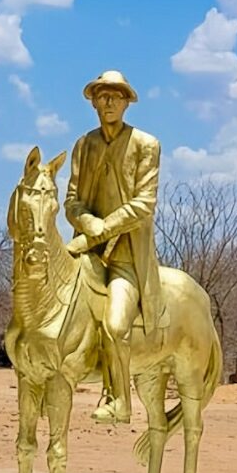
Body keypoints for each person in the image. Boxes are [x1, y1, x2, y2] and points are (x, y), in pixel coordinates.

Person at [65, 70, 162, 424]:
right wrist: (85, 221)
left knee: (116, 326)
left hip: (125, 255)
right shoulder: (84, 145)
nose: (108, 103)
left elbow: (144, 205)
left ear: (126, 103)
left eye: (116, 97)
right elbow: (71, 200)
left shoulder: (146, 144)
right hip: (88, 252)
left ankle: (119, 399)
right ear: (93, 102)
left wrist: (102, 228)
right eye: (102, 96)